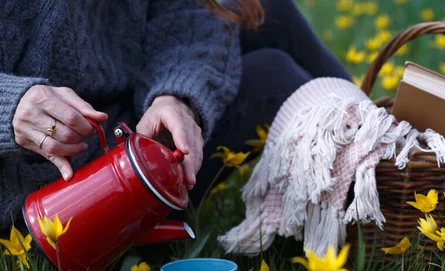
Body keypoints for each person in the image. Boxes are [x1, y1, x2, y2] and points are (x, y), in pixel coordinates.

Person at [0, 0, 350, 236]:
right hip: (56, 200)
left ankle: (381, 155)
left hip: (131, 117)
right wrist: (12, 105)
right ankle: (363, 201)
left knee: (265, 10)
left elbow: (185, 11)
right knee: (278, 77)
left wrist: (176, 95)